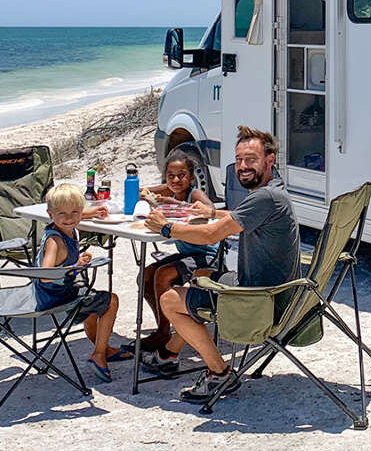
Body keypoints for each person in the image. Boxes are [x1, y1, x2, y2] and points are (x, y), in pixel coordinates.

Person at [144, 126, 300, 403]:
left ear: (270, 159)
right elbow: (238, 218)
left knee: (170, 299)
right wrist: (214, 211)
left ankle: (219, 373)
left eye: (251, 159)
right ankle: (168, 354)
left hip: (258, 300)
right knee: (195, 283)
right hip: (278, 292)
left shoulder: (264, 197)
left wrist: (167, 228)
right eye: (238, 160)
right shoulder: (273, 193)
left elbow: (211, 235)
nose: (242, 167)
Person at [37, 183, 131, 383]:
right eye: (63, 213)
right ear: (50, 214)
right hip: (58, 296)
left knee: (93, 303)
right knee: (110, 301)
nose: (70, 218)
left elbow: (70, 218)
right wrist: (75, 265)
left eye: (75, 212)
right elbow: (45, 275)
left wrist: (91, 213)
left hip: (59, 292)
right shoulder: (55, 241)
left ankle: (104, 349)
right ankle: (98, 355)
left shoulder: (62, 225)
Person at [136, 148, 216, 356]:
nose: (176, 179)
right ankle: (163, 328)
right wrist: (160, 189)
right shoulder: (170, 188)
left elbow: (209, 210)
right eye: (171, 175)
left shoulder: (194, 193)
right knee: (145, 275)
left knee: (163, 275)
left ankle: (166, 332)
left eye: (182, 175)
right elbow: (141, 192)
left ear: (191, 178)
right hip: (187, 253)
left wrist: (177, 204)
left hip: (206, 253)